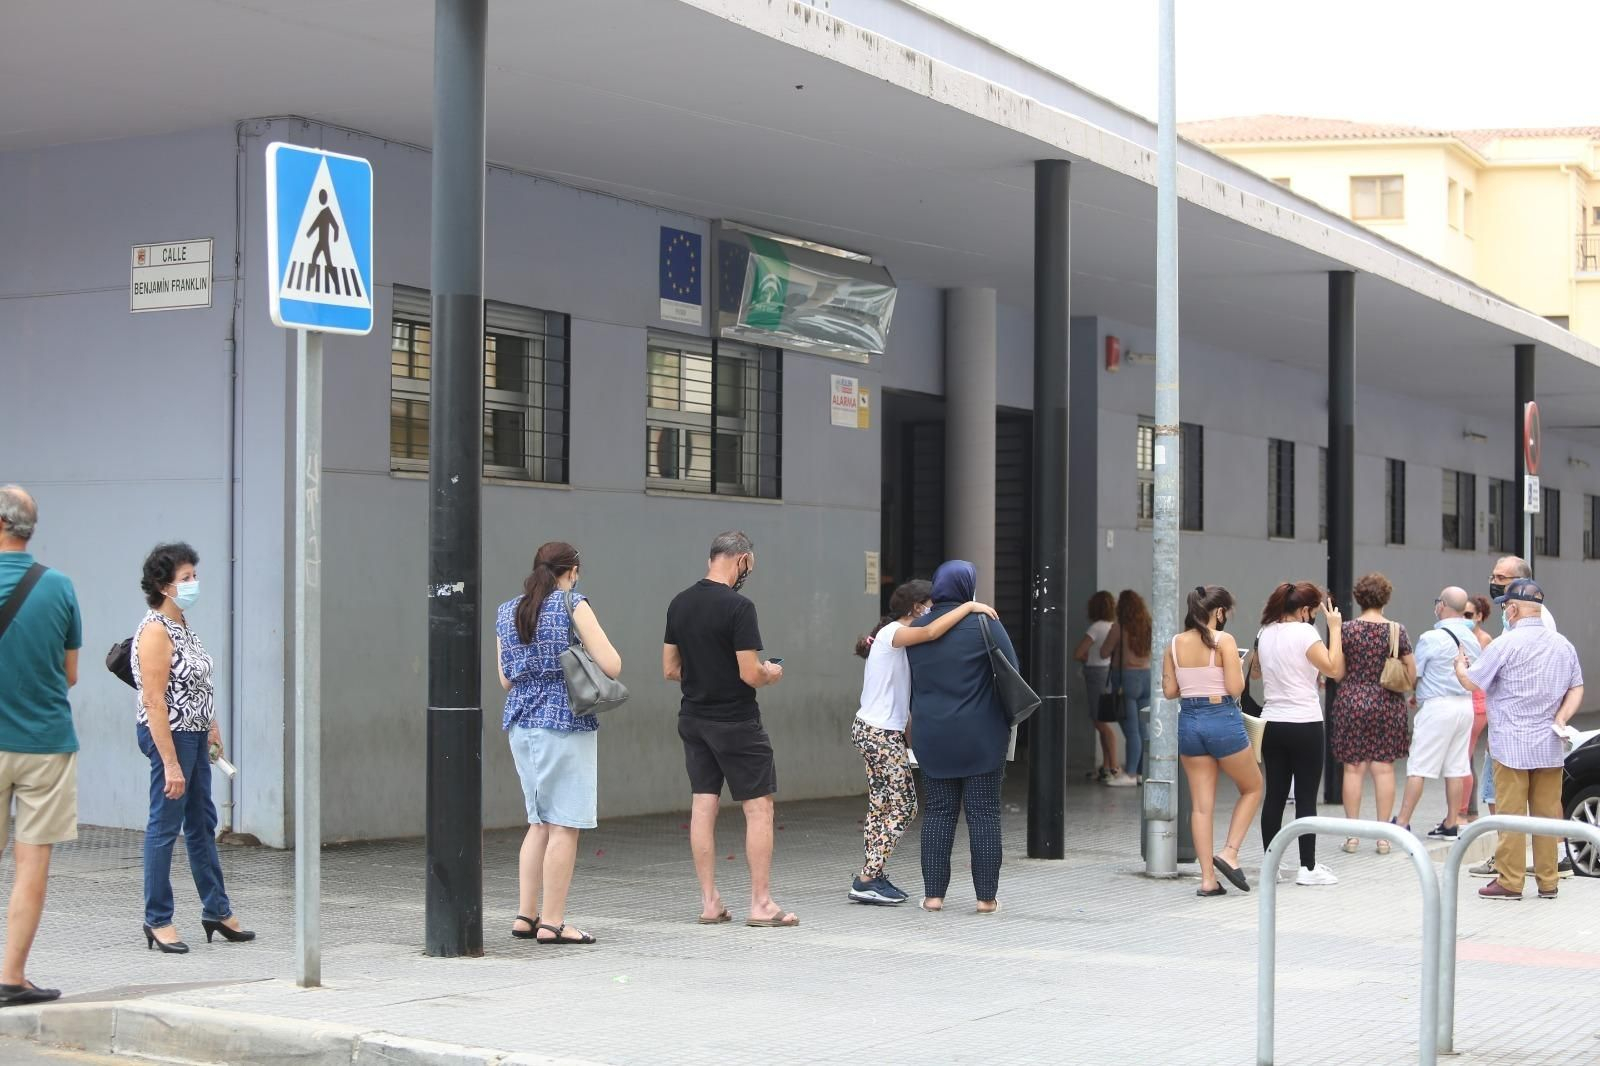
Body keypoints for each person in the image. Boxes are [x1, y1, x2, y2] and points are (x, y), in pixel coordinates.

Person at [663, 532, 794, 927]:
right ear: (742, 561)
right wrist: (770, 673)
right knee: (758, 808)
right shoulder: (739, 607)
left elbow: (670, 669)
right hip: (735, 721)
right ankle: (761, 904)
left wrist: (705, 671)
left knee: (704, 805)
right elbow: (749, 673)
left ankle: (709, 902)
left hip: (693, 719)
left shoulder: (679, 603)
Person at [496, 542, 620, 945]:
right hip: (563, 720)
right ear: (573, 570)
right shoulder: (573, 603)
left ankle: (525, 915)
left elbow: (506, 680)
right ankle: (552, 922)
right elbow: (612, 664)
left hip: (520, 723)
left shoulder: (506, 611)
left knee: (538, 823)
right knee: (565, 825)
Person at [132, 543, 253, 953]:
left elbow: (198, 684)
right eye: (185, 578)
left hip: (196, 734)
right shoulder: (155, 631)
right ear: (164, 586)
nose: (193, 584)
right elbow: (154, 701)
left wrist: (212, 727)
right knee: (165, 825)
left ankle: (216, 909)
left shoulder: (183, 624)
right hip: (172, 735)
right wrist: (170, 763)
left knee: (202, 822)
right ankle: (157, 918)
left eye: (194, 576)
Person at [848, 580, 997, 905]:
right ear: (917, 608)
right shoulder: (896, 634)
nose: (932, 612)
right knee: (904, 806)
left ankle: (872, 875)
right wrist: (969, 607)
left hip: (869, 729)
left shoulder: (890, 635)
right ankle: (867, 878)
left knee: (880, 805)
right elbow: (931, 633)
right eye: (930, 606)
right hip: (881, 733)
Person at [0, 486, 79, 1004]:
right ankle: (10, 978)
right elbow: (70, 674)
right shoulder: (59, 587)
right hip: (45, 745)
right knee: (31, 866)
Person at [1456, 579, 1583, 901]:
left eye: (1505, 608)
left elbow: (1473, 683)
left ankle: (1510, 882)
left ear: (1512, 609)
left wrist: (1460, 667)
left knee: (1511, 816)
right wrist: (1562, 718)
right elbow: (1577, 687)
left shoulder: (1505, 644)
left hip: (1511, 744)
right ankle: (1548, 880)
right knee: (1547, 816)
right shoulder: (1562, 644)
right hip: (1550, 744)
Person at [905, 560, 1017, 914]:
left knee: (938, 813)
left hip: (932, 733)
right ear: (968, 587)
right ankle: (986, 899)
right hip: (982, 734)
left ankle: (933, 897)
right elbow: (1012, 671)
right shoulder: (985, 623)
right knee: (983, 813)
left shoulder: (917, 628)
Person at [1162, 585, 1263, 897]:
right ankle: (1230, 852)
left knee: (1201, 806)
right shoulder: (1224, 641)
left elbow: (1169, 691)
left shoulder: (1174, 644)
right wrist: (1239, 665)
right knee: (1253, 787)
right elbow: (1235, 688)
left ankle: (1207, 881)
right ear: (1219, 612)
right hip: (1221, 719)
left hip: (1189, 723)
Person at [1255, 581, 1344, 886]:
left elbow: (1255, 672)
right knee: (1306, 797)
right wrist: (1336, 629)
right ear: (1305, 610)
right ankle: (1308, 868)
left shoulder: (1264, 632)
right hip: (1304, 722)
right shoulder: (1306, 632)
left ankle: (1272, 866)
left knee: (1275, 796)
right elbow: (1334, 668)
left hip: (1271, 723)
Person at [1329, 573, 1415, 851]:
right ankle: (1382, 837)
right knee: (1384, 769)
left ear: (1359, 598)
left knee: (1353, 770)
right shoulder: (1396, 630)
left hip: (1351, 700)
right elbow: (1411, 673)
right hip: (1386, 703)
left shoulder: (1347, 630)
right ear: (1386, 597)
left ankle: (1352, 836)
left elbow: (1339, 672)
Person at [1394, 587, 1478, 840]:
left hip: (1437, 707)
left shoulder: (1431, 637)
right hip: (1465, 705)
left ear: (1442, 605)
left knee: (1419, 765)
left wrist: (1414, 692)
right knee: (1456, 766)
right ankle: (1452, 823)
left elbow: (1415, 673)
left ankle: (1402, 822)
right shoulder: (1472, 637)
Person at [1100, 589, 1153, 786]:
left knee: (1131, 731)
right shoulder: (1148, 626)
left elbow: (1104, 652)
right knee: (1143, 729)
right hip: (1147, 676)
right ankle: (1142, 772)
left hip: (1126, 680)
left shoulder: (1119, 627)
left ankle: (1130, 774)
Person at [1072, 591, 1121, 782]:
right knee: (1103, 720)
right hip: (1108, 674)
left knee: (1100, 722)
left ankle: (1114, 766)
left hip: (1095, 675)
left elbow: (1078, 652)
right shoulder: (1112, 626)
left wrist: (1087, 658)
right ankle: (1107, 766)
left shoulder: (1096, 627)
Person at [1460, 594, 1493, 819]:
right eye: (1461, 614)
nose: (1464, 619)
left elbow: (1481, 673)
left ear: (1479, 616)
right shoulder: (1462, 636)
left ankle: (1461, 812)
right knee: (1466, 757)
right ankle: (1469, 810)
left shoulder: (1484, 639)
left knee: (1463, 756)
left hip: (1478, 703)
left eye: (1469, 615)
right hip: (1464, 700)